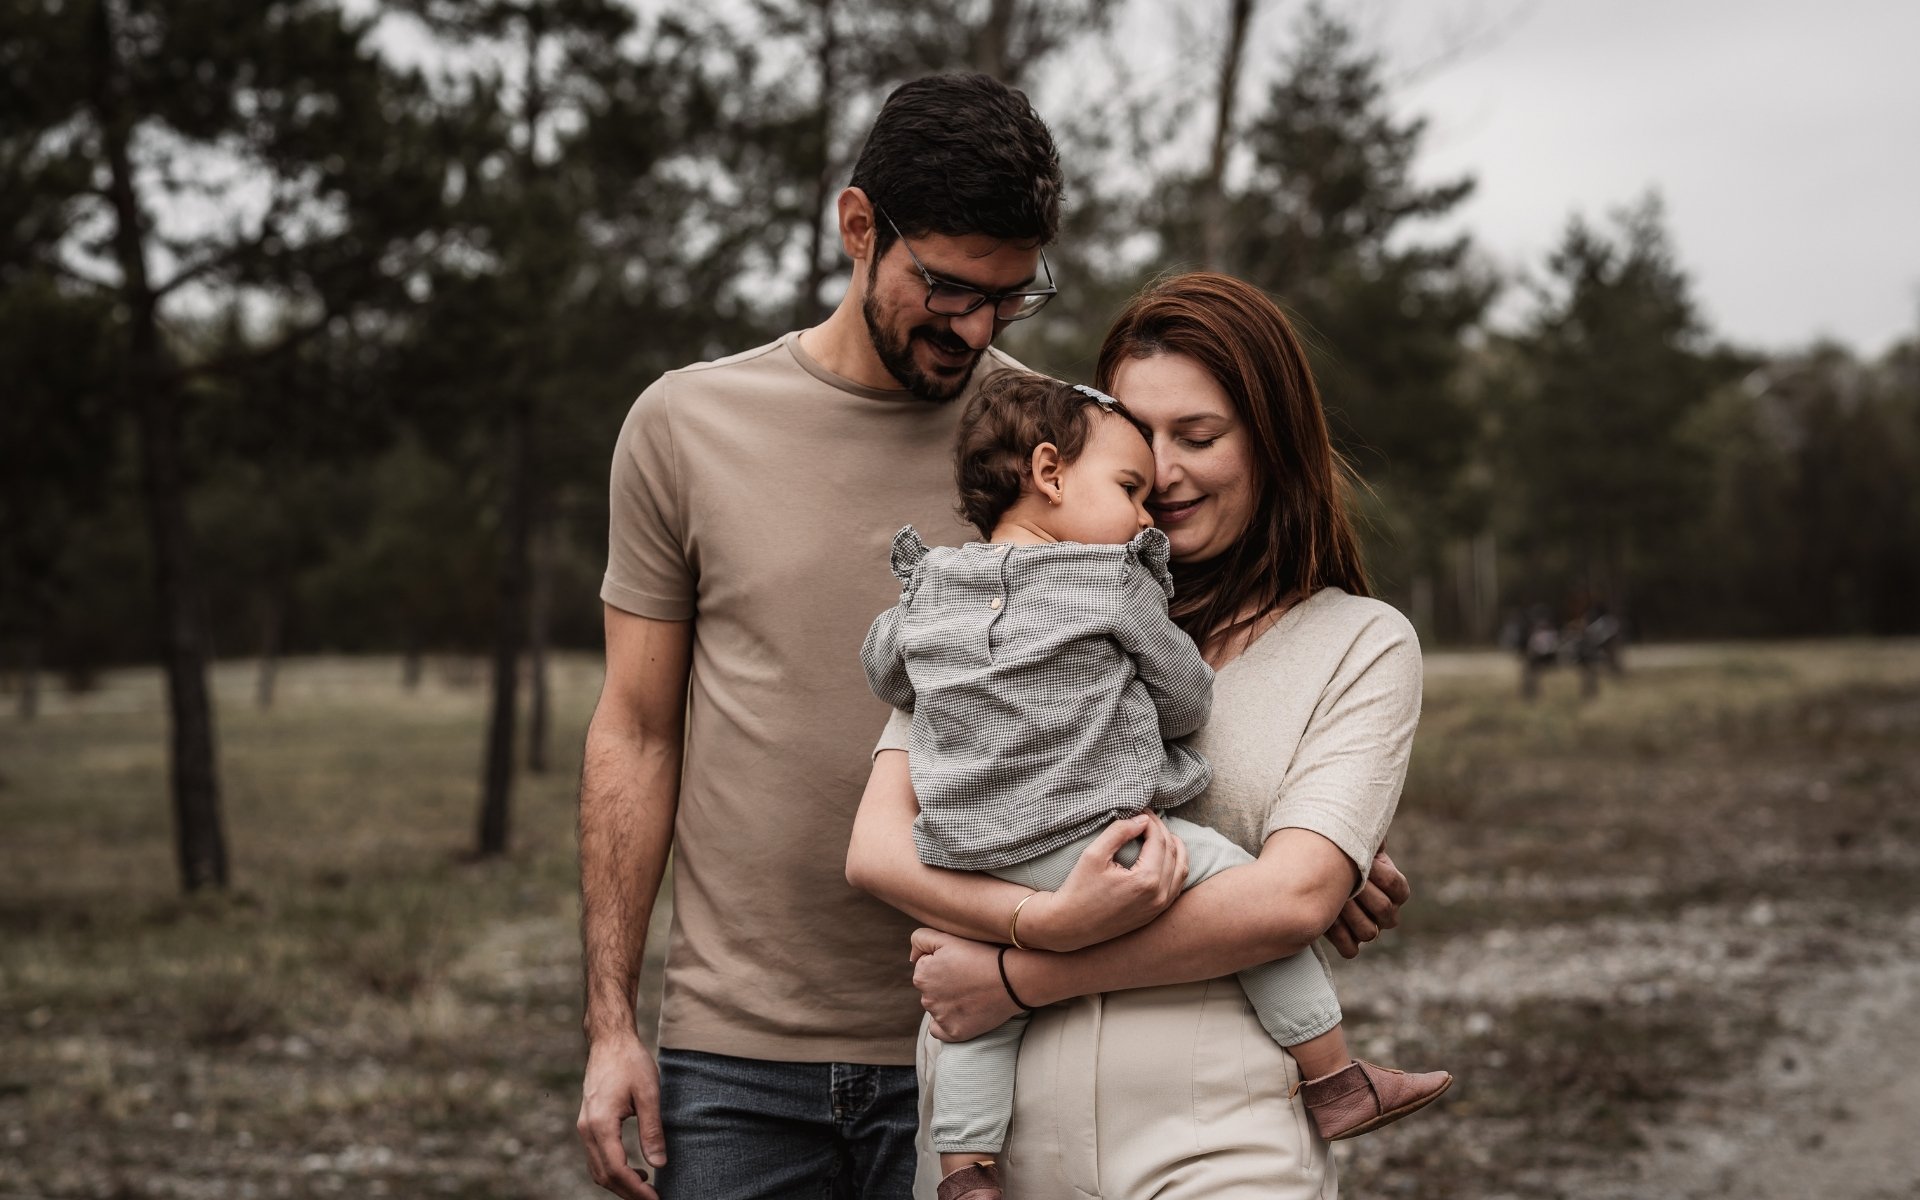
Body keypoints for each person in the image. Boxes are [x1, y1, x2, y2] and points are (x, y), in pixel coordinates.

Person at [574, 73, 1071, 1200]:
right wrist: (610, 1025)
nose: (978, 327)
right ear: (859, 227)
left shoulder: (1053, 447)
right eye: (947, 286)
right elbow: (637, 732)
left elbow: (1146, 675)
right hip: (733, 1067)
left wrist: (1306, 832)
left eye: (1010, 295)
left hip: (983, 1042)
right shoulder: (685, 427)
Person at [846, 272, 1427, 1198]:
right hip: (1004, 1149)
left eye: (1197, 437)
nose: (1162, 470)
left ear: (1273, 443)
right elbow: (879, 849)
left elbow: (1287, 901)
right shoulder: (992, 606)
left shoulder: (1357, 641)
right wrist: (1040, 920)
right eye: (1139, 438)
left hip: (1219, 1142)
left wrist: (1018, 973)